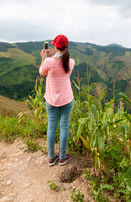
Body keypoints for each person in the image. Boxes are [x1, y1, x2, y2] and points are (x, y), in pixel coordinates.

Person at [39, 34, 75, 166]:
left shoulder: (49, 62)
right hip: (66, 99)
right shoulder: (70, 62)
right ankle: (62, 157)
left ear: (54, 45)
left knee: (51, 127)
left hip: (51, 99)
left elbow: (42, 72)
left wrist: (44, 58)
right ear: (66, 47)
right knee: (64, 126)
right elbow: (62, 64)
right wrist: (55, 54)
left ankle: (51, 157)